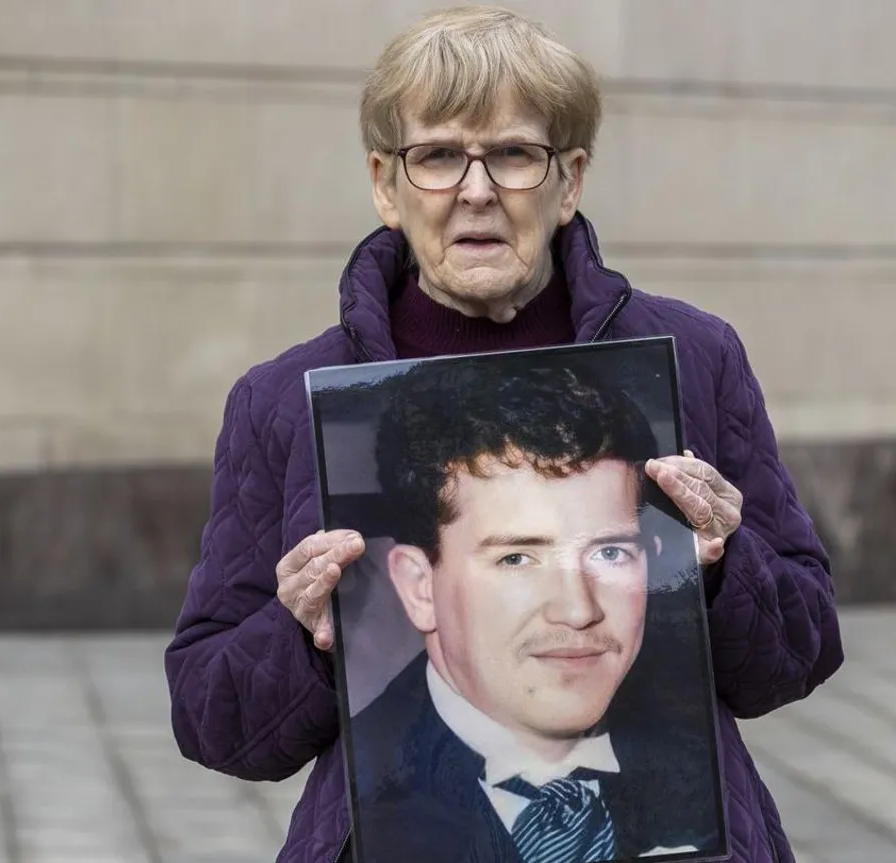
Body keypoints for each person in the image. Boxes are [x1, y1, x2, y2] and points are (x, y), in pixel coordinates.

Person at [164, 7, 844, 863]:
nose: (477, 189)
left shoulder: (694, 359)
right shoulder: (284, 401)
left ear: (570, 182)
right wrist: (300, 637)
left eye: (516, 154)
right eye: (439, 155)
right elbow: (210, 718)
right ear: (386, 183)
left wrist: (722, 567)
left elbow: (802, 649)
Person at [347, 356, 723, 861]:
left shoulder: (707, 768)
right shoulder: (358, 807)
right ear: (419, 588)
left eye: (610, 552)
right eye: (518, 558)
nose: (577, 610)